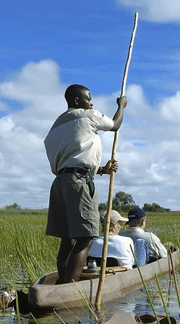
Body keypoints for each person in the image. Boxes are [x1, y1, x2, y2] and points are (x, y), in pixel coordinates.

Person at [44, 84, 127, 284]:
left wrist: (101, 170)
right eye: (89, 99)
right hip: (78, 183)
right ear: (77, 101)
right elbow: (115, 124)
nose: (91, 103)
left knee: (68, 238)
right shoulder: (88, 115)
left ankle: (62, 283)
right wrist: (122, 106)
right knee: (85, 237)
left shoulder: (56, 126)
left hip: (60, 182)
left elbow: (72, 159)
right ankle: (68, 287)